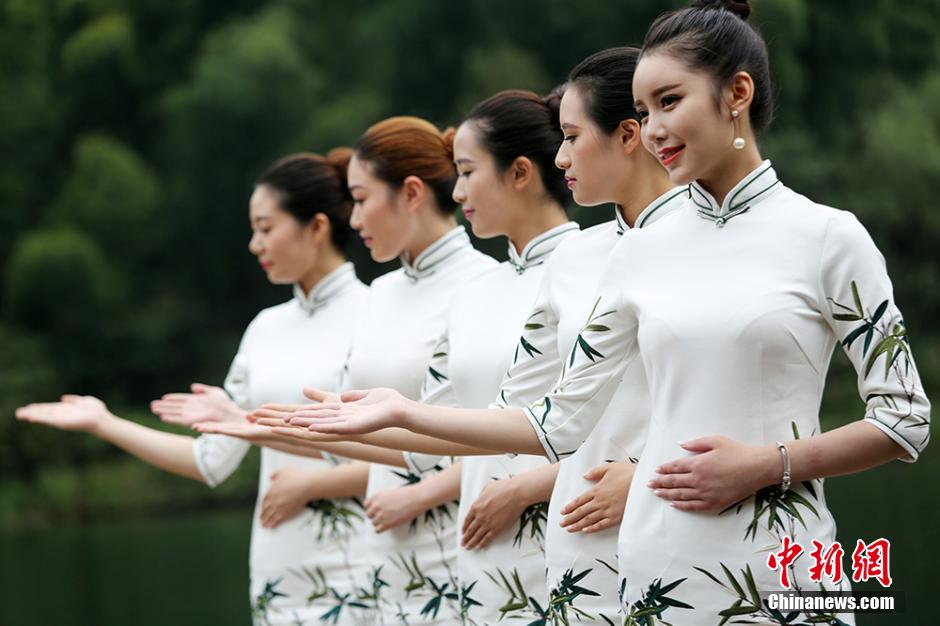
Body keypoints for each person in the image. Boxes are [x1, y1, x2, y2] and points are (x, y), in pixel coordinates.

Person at [280, 2, 931, 623]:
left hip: (783, 578)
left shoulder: (826, 237)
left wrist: (769, 465)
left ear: (737, 94)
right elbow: (557, 423)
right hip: (649, 582)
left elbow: (904, 421)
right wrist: (400, 412)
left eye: (669, 102)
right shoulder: (636, 255)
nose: (653, 131)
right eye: (644, 111)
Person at [17, 152, 375, 626]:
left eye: (265, 228)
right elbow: (210, 459)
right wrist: (105, 423)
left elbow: (417, 457)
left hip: (369, 570)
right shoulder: (264, 330)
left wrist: (316, 483)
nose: (254, 244)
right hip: (280, 573)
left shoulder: (377, 315)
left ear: (317, 227)